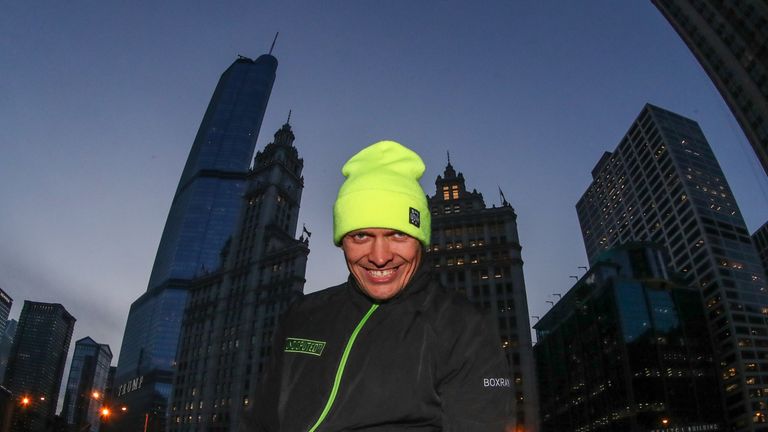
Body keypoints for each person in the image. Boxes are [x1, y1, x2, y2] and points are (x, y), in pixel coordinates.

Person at [242, 140, 512, 431]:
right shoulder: (302, 315)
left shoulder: (465, 326)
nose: (380, 257)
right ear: (342, 241)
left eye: (397, 235)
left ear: (421, 239)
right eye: (361, 236)